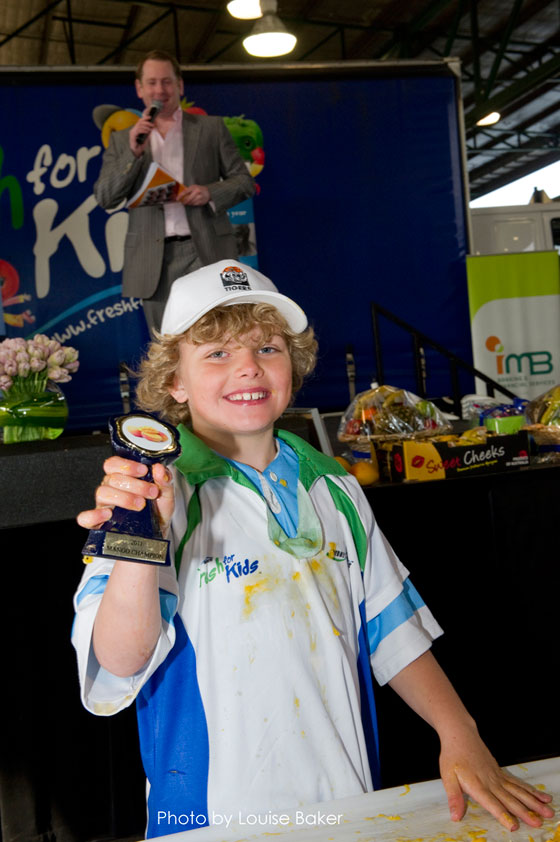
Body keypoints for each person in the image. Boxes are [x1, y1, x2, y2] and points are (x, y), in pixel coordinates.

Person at [73, 261, 554, 840]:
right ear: (175, 381)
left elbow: (391, 629)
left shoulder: (335, 486)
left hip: (347, 807)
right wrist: (139, 544)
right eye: (217, 353)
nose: (248, 366)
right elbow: (120, 662)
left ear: (292, 367)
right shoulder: (150, 493)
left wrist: (460, 732)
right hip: (211, 822)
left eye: (267, 348)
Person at [94, 51, 255, 334]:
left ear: (180, 85)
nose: (160, 90)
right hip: (152, 258)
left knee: (219, 336)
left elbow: (244, 182)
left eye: (166, 82)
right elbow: (106, 197)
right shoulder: (123, 140)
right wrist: (133, 152)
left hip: (205, 248)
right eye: (152, 82)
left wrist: (209, 192)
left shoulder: (211, 128)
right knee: (166, 344)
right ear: (139, 88)